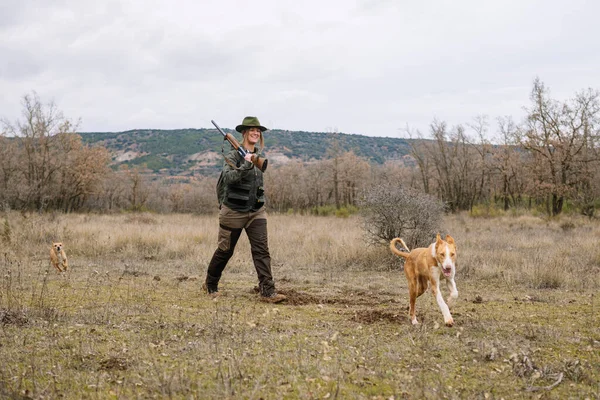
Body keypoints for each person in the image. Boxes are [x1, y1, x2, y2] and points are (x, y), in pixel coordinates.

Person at [203, 116, 287, 303]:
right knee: (225, 251)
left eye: (258, 131)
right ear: (244, 133)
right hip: (233, 211)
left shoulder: (257, 157)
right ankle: (210, 285)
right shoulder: (234, 156)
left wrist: (252, 161)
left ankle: (268, 292)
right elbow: (229, 178)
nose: (256, 133)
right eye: (252, 130)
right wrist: (246, 164)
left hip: (256, 211)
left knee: (261, 250)